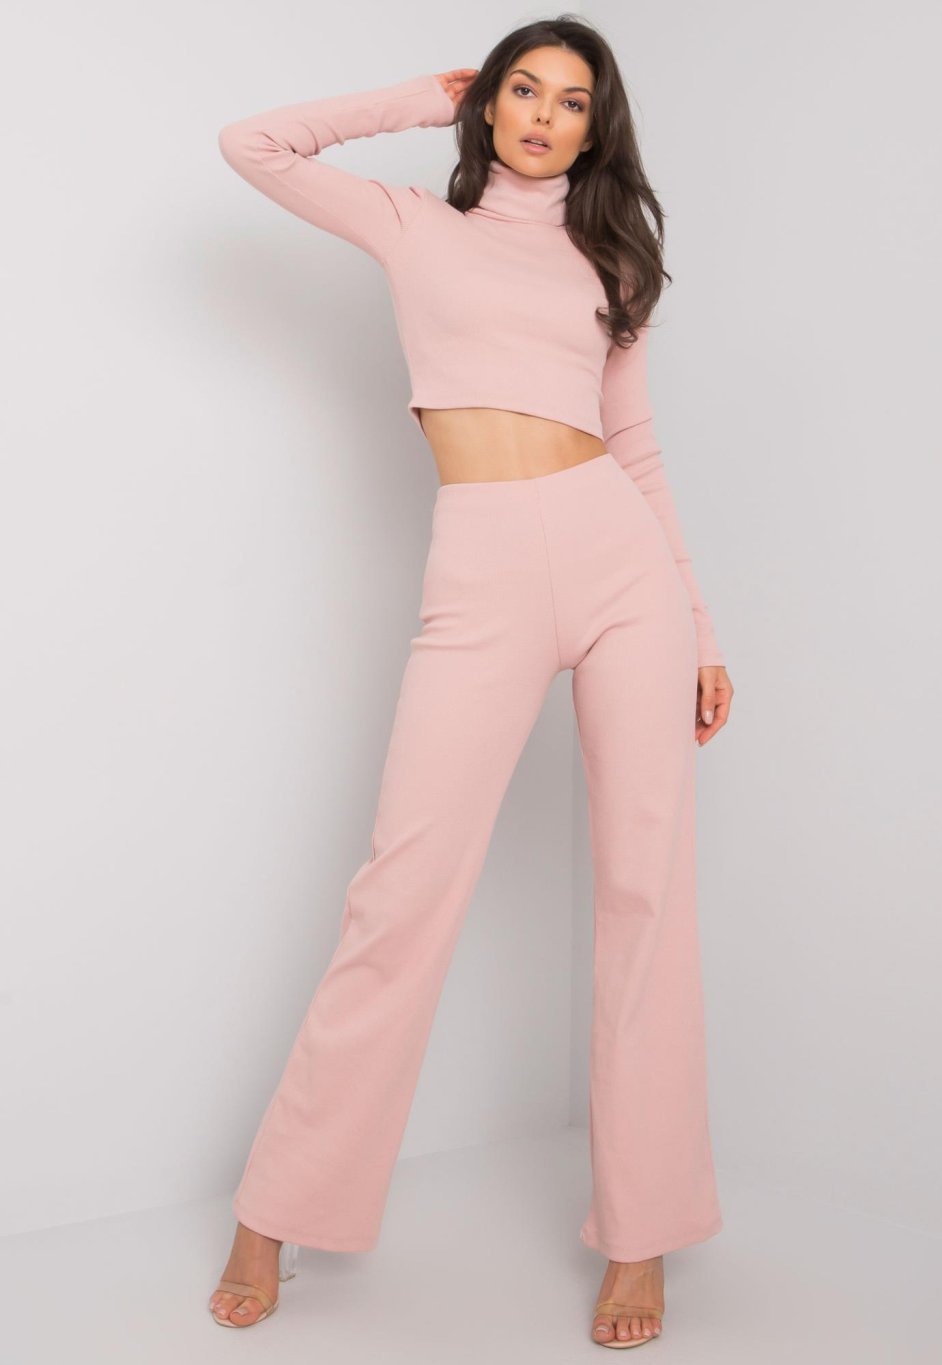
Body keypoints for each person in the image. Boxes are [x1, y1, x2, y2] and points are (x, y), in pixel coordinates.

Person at [208, 15, 734, 1349]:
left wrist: (699, 623)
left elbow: (639, 445)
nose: (546, 116)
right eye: (524, 91)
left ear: (597, 129)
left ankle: (641, 1233)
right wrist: (411, 94)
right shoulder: (409, 226)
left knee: (646, 891)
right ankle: (275, 1208)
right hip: (484, 564)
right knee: (404, 887)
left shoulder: (613, 261)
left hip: (620, 560)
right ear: (488, 105)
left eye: (573, 101)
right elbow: (252, 144)